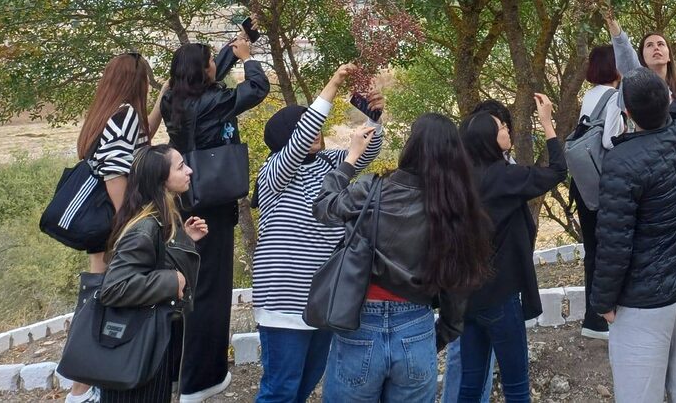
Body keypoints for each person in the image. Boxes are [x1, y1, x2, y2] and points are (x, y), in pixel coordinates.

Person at [590, 0, 676, 403]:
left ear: (625, 114)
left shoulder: (621, 163)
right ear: (668, 98)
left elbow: (614, 241)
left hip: (644, 305)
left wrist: (604, 302)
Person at [313, 113, 492, 403]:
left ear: (411, 146)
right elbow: (458, 283)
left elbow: (324, 207)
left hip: (360, 322)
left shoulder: (373, 188)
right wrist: (444, 332)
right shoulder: (454, 209)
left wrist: (350, 158)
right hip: (416, 326)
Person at [251, 64, 385, 403]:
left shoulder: (327, 162)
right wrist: (335, 81)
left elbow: (365, 152)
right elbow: (304, 144)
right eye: (305, 128)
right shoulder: (275, 172)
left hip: (322, 295)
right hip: (284, 298)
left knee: (306, 384)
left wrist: (374, 120)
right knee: (280, 389)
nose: (315, 133)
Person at [160, 31, 270, 402]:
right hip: (215, 203)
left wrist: (231, 50)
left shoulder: (171, 98)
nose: (214, 65)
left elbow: (205, 76)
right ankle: (201, 380)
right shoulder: (213, 101)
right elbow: (257, 89)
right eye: (211, 60)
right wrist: (249, 58)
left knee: (187, 284)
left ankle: (175, 371)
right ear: (201, 71)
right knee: (212, 291)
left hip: (184, 202)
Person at [459, 93, 567, 402]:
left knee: (470, 382)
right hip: (500, 295)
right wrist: (547, 123)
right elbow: (558, 170)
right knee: (516, 385)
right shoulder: (505, 177)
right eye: (500, 128)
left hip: (467, 297)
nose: (507, 130)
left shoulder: (459, 179)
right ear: (489, 141)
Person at [66, 52, 157, 403]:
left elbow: (134, 143)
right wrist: (127, 224)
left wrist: (161, 107)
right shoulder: (126, 114)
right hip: (112, 221)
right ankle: (82, 387)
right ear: (138, 81)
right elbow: (116, 172)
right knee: (102, 299)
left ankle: (84, 383)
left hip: (96, 221)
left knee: (95, 294)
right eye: (148, 80)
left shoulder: (109, 113)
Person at [99, 145, 206, 403]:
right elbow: (114, 287)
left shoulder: (162, 219)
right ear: (161, 180)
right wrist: (171, 280)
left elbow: (153, 264)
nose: (189, 170)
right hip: (137, 347)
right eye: (180, 167)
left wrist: (184, 241)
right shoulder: (145, 226)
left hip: (151, 344)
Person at [440, 101, 511, 403]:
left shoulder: (506, 167)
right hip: (466, 281)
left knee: (482, 358)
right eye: (496, 128)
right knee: (462, 356)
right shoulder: (459, 174)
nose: (502, 133)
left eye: (503, 127)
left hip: (495, 280)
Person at [572, 45, 621, 340]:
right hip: (603, 182)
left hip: (582, 182)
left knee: (593, 249)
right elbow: (609, 140)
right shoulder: (614, 96)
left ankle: (593, 318)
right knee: (608, 249)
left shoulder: (589, 95)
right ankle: (603, 317)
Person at [601, 3, 676, 149]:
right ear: (642, 57)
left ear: (669, 55)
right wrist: (610, 18)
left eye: (661, 44)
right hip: (644, 153)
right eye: (649, 45)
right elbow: (624, 48)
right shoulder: (636, 81)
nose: (656, 47)